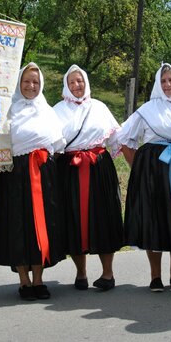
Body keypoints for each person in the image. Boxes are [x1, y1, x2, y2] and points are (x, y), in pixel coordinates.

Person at [0, 62, 66, 301]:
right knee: (17, 224)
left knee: (42, 225)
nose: (31, 86)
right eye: (27, 81)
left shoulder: (48, 111)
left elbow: (58, 146)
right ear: (19, 84)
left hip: (43, 174)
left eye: (35, 82)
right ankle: (24, 281)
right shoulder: (7, 111)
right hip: (13, 174)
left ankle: (39, 279)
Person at [118, 63, 171, 292]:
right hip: (154, 170)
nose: (168, 85)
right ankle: (155, 276)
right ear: (158, 84)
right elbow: (123, 137)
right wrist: (137, 166)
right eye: (164, 81)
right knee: (156, 219)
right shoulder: (147, 109)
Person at [53, 65, 123, 291]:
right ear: (66, 84)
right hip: (69, 170)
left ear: (86, 83)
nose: (77, 85)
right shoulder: (57, 110)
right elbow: (49, 142)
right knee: (73, 217)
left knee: (104, 217)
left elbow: (116, 138)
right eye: (72, 82)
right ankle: (80, 273)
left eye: (80, 81)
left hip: (99, 167)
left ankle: (108, 274)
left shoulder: (100, 107)